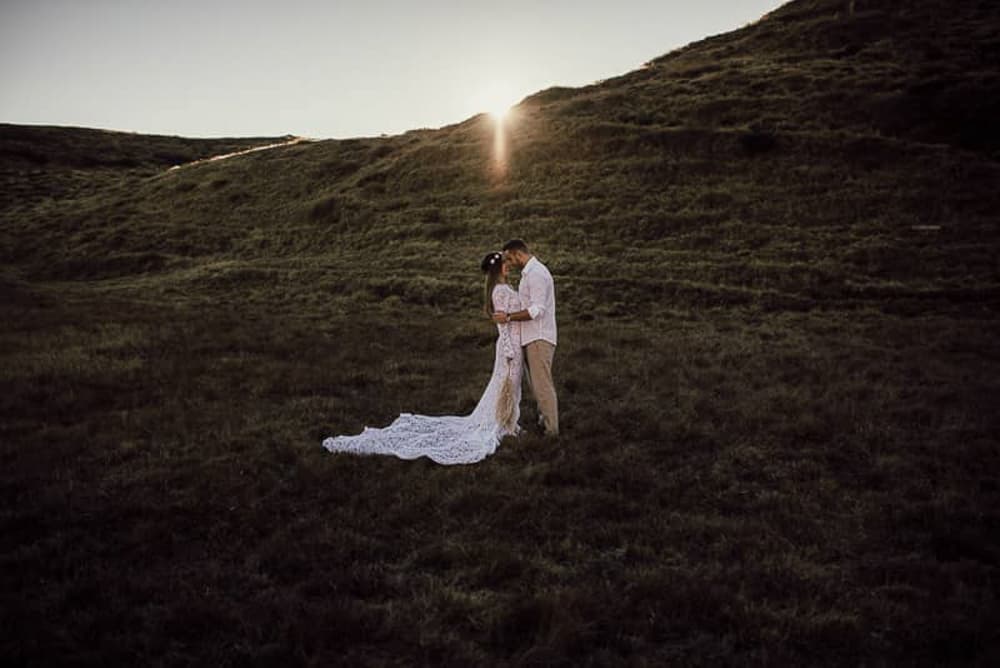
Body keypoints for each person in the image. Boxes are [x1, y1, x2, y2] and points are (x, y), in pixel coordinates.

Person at [321, 251, 523, 465]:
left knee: (509, 386)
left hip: (514, 346)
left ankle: (507, 421)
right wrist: (509, 351)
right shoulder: (500, 291)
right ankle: (500, 423)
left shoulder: (503, 288)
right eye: (505, 264)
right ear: (497, 268)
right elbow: (503, 325)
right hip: (509, 348)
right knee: (506, 385)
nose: (508, 266)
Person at [493, 239, 559, 437]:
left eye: (509, 258)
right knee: (537, 386)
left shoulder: (537, 274)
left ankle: (552, 430)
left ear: (517, 253)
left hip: (539, 337)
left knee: (542, 386)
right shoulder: (529, 274)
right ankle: (544, 420)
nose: (509, 263)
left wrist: (509, 317)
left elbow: (537, 310)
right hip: (531, 337)